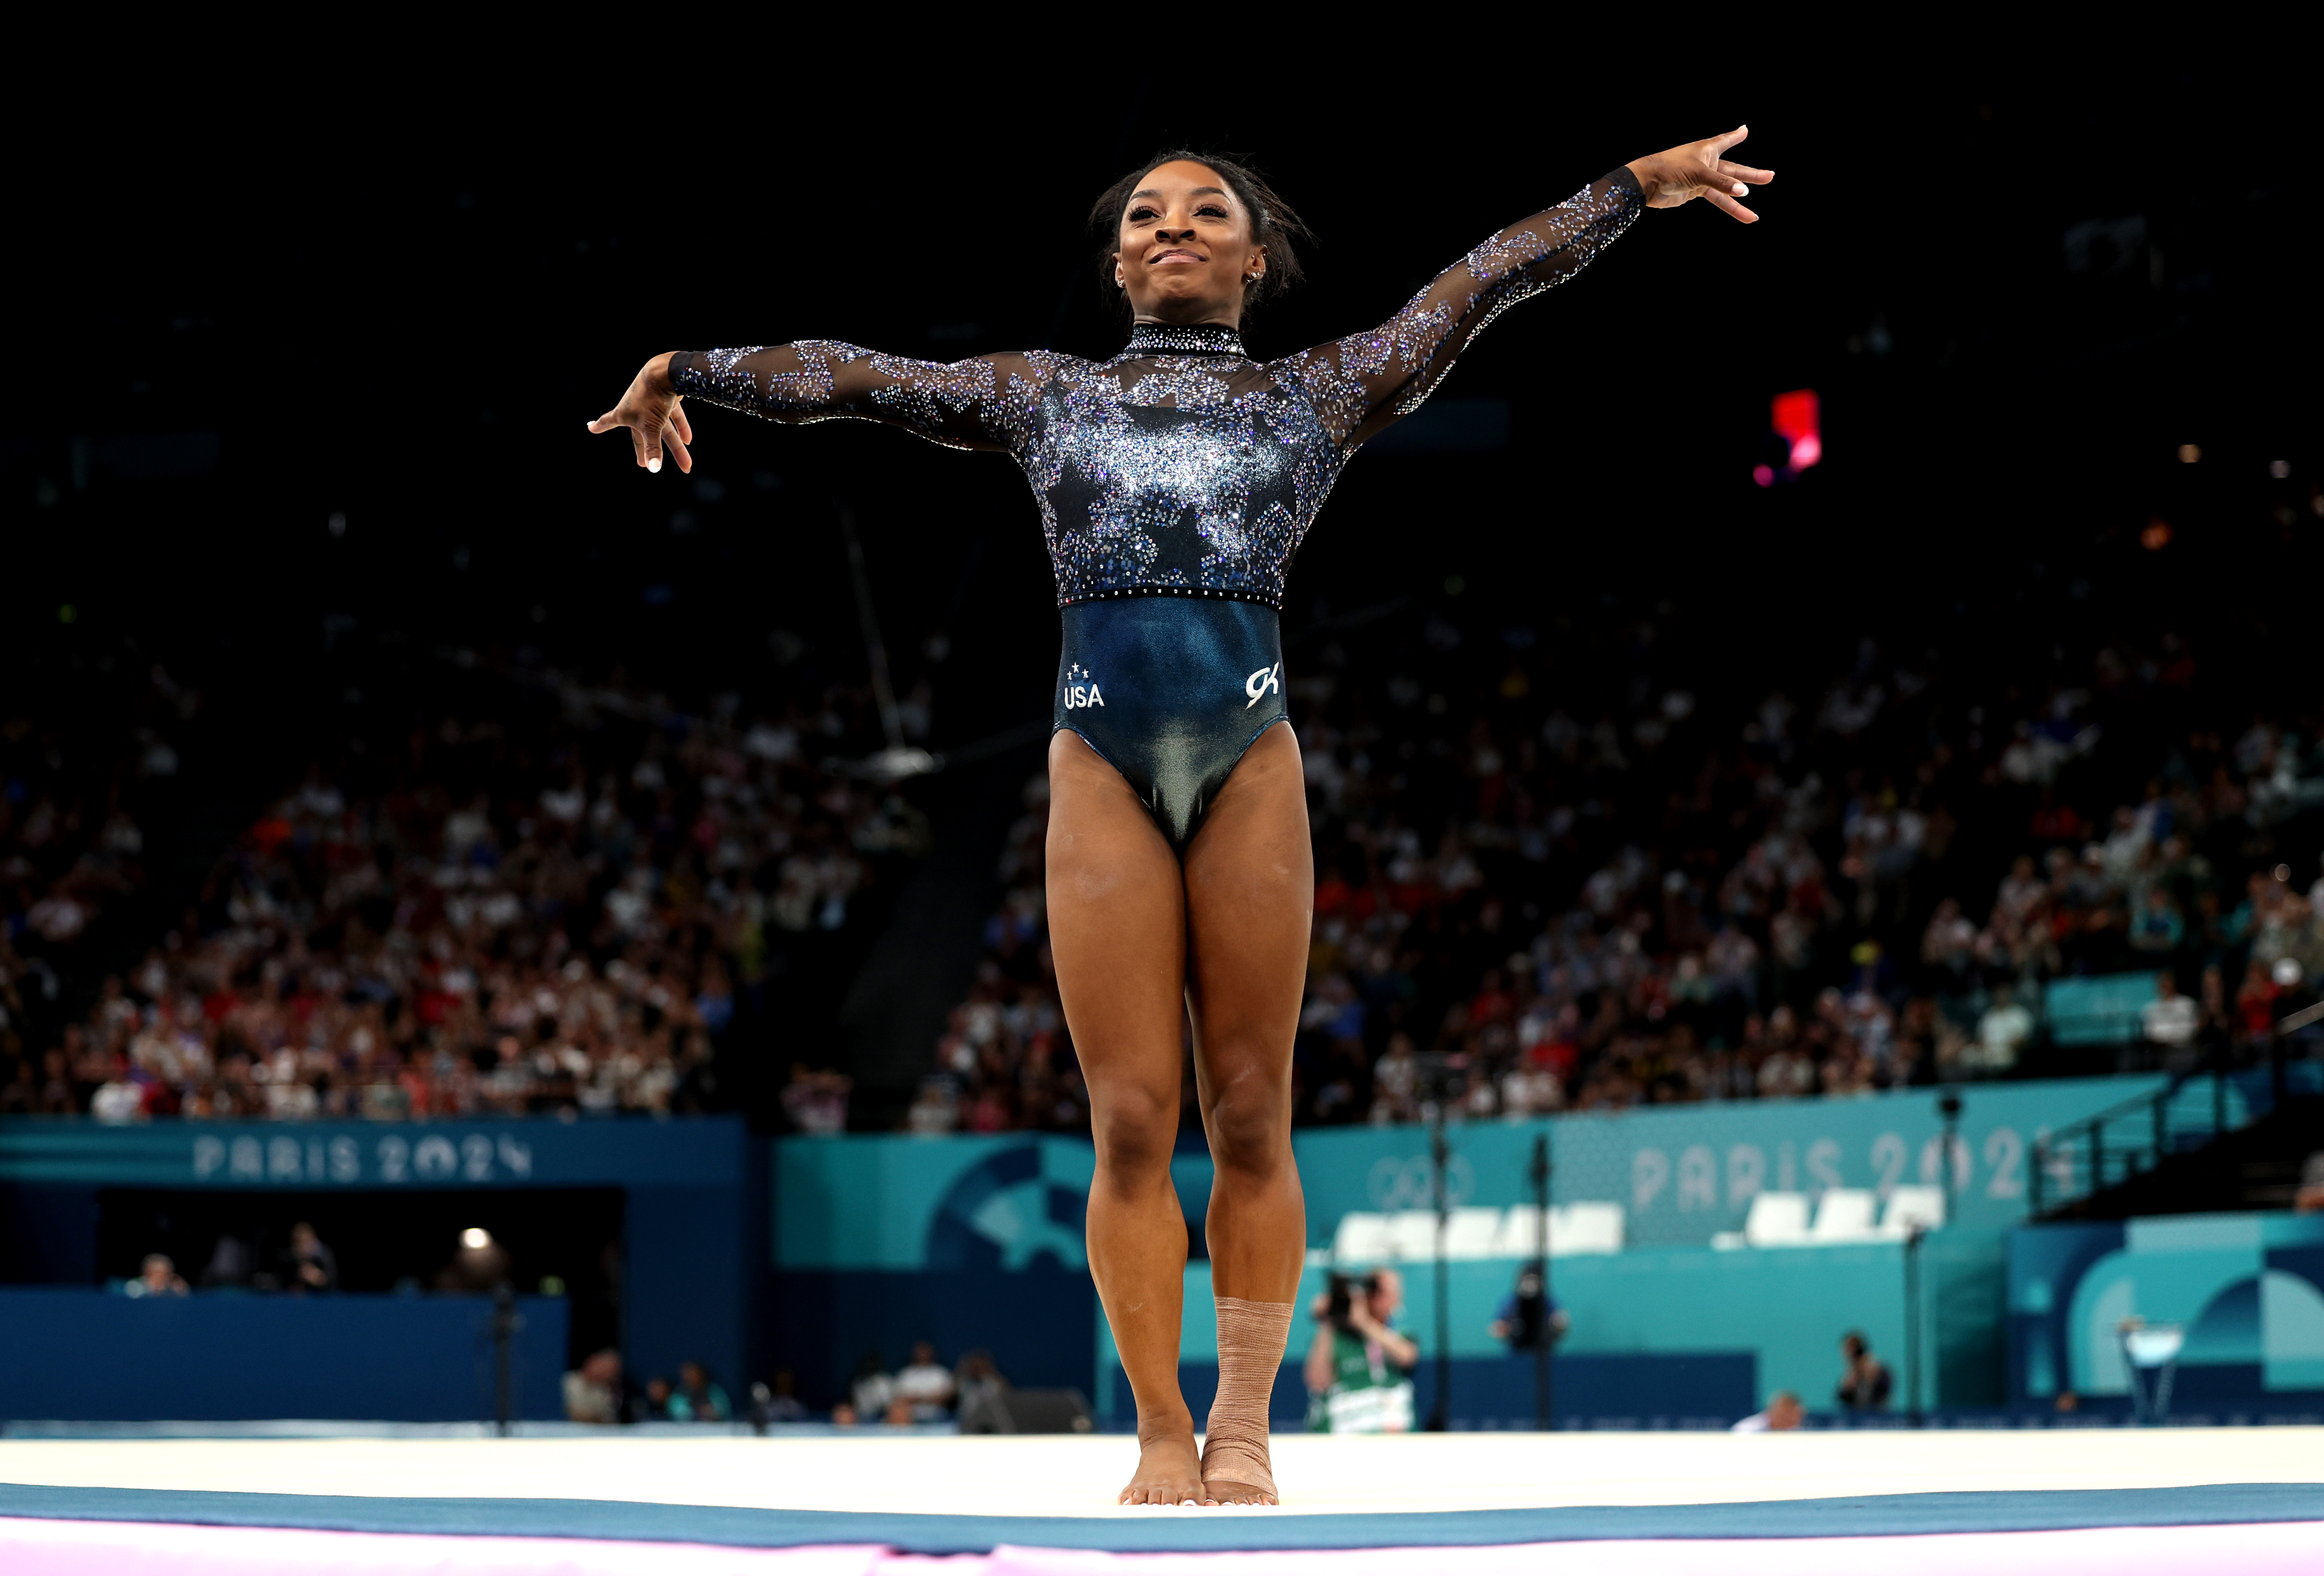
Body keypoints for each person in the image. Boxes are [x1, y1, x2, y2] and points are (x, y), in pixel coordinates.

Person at [592, 129, 1772, 1505]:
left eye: (1204, 212)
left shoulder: (1315, 394)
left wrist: (1633, 187)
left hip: (1246, 757)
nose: (1170, 227)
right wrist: (687, 370)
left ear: (1254, 262)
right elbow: (856, 377)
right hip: (1097, 762)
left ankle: (1247, 1426)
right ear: (1112, 262)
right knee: (1135, 1119)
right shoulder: (1047, 397)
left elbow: (1477, 287)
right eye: (1144, 214)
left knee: (1255, 1112)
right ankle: (1159, 1425)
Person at [1303, 1267, 1419, 1434]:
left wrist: (1363, 1322)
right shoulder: (1335, 1339)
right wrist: (1328, 1321)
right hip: (1343, 1437)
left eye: (1384, 1292)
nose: (1380, 1298)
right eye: (1375, 1291)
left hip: (1392, 1434)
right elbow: (1317, 1382)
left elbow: (1407, 1356)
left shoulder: (1399, 1335)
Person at [1488, 1264, 1569, 1352]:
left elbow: (1562, 1320)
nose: (1531, 1284)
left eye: (1535, 1280)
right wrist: (1504, 1329)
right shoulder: (1511, 1303)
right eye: (1528, 1280)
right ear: (1520, 1281)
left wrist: (1558, 1323)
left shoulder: (1547, 1301)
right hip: (1517, 1352)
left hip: (1543, 1352)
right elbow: (1496, 1328)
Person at [892, 1339, 957, 1421]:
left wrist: (917, 1399)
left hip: (938, 1418)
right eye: (920, 1352)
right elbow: (900, 1398)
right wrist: (930, 1399)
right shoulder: (905, 1374)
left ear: (932, 1353)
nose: (923, 1355)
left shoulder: (941, 1373)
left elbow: (949, 1395)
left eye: (925, 1351)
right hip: (911, 1419)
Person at [563, 1347, 625, 1425]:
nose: (609, 1373)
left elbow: (610, 1419)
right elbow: (577, 1415)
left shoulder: (607, 1387)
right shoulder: (572, 1380)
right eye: (602, 1367)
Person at [1836, 1331, 1892, 1411]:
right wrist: (1848, 1387)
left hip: (1878, 1416)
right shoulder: (1851, 1374)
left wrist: (1873, 1377)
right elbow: (1842, 1398)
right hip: (1856, 1416)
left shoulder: (1876, 1369)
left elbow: (1884, 1391)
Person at [284, 1221, 338, 1294]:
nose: (301, 1247)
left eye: (305, 1241)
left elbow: (334, 1283)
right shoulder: (288, 1259)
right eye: (297, 1242)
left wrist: (320, 1279)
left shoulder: (324, 1256)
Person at [669, 1359, 731, 1423]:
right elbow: (680, 1415)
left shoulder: (715, 1392)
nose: (690, 1378)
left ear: (701, 1374)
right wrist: (698, 1413)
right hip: (685, 1431)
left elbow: (724, 1412)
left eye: (693, 1374)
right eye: (687, 1376)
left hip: (716, 1430)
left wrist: (711, 1413)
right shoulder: (677, 1395)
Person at [1732, 1391, 1804, 1432]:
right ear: (1772, 1411)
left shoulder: (1801, 1435)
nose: (1790, 1418)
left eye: (1795, 1415)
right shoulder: (1747, 1430)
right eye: (1785, 1414)